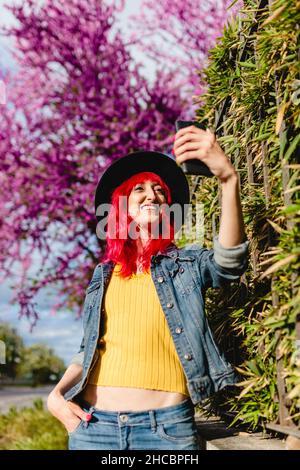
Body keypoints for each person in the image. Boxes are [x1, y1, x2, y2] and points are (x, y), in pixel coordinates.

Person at [47, 124, 249, 450]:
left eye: (159, 191)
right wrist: (55, 397)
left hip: (165, 431)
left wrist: (228, 180)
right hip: (94, 428)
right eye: (138, 189)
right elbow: (87, 350)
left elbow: (230, 263)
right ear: (122, 206)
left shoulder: (187, 265)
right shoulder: (103, 274)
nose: (152, 195)